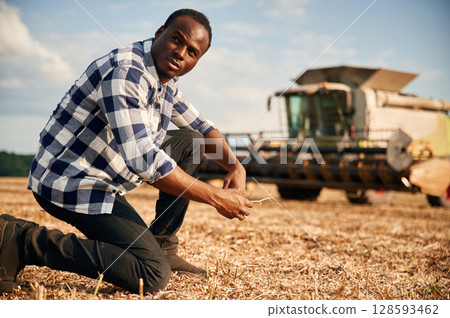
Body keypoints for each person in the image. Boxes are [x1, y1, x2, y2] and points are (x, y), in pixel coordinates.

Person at [0, 8, 252, 294]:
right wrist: (216, 196)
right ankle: (21, 240)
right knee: (151, 274)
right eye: (176, 40)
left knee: (191, 140)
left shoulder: (163, 81)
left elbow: (203, 128)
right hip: (71, 181)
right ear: (159, 34)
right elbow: (145, 160)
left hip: (101, 175)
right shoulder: (126, 74)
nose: (181, 53)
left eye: (192, 52)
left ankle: (162, 246)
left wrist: (235, 167)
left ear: (197, 61)